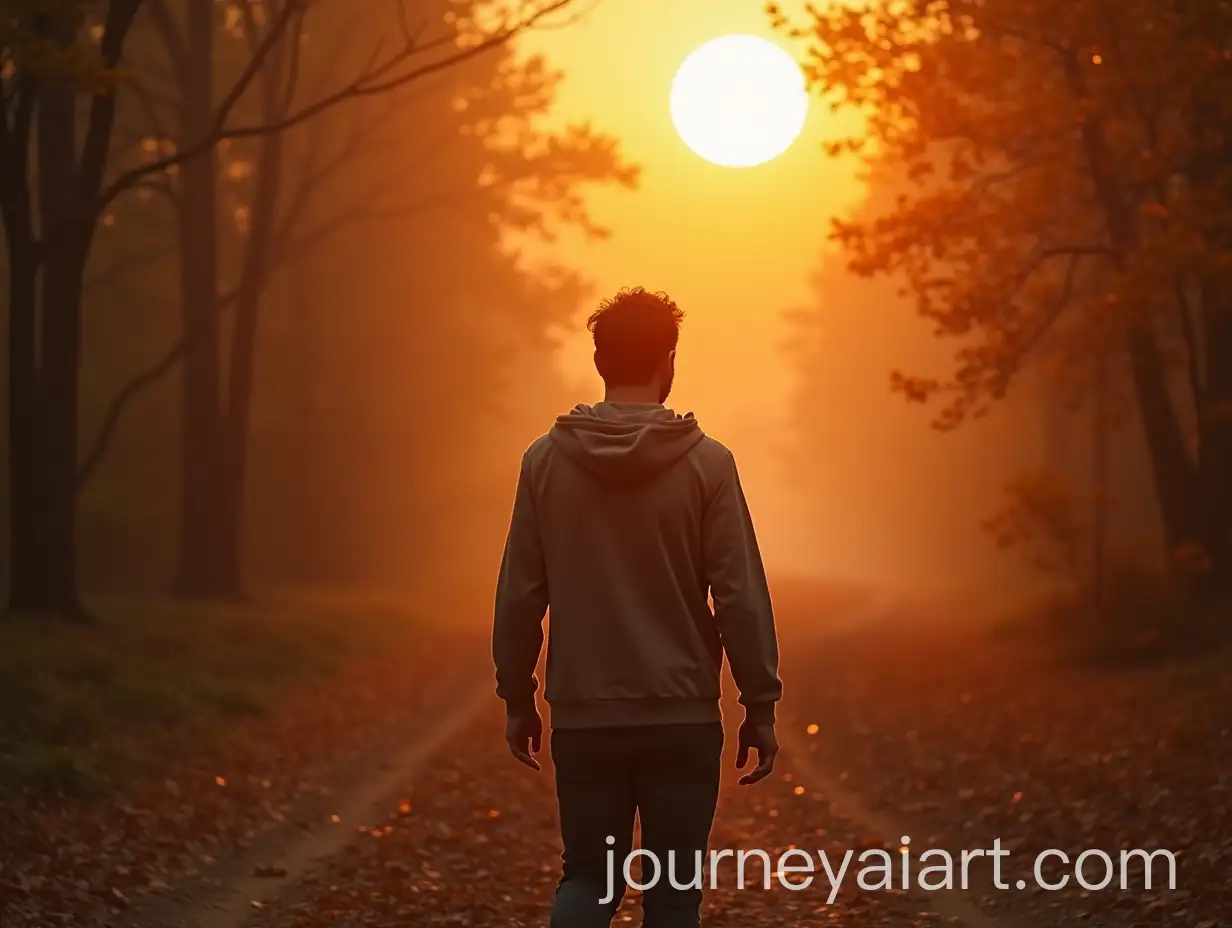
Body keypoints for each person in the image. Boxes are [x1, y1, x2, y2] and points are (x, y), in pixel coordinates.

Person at [492, 286, 782, 927]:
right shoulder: (708, 465)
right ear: (668, 360)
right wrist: (758, 704)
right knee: (674, 893)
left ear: (600, 361)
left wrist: (518, 696)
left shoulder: (545, 462)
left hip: (585, 715)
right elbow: (737, 593)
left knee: (588, 879)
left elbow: (520, 592)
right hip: (681, 715)